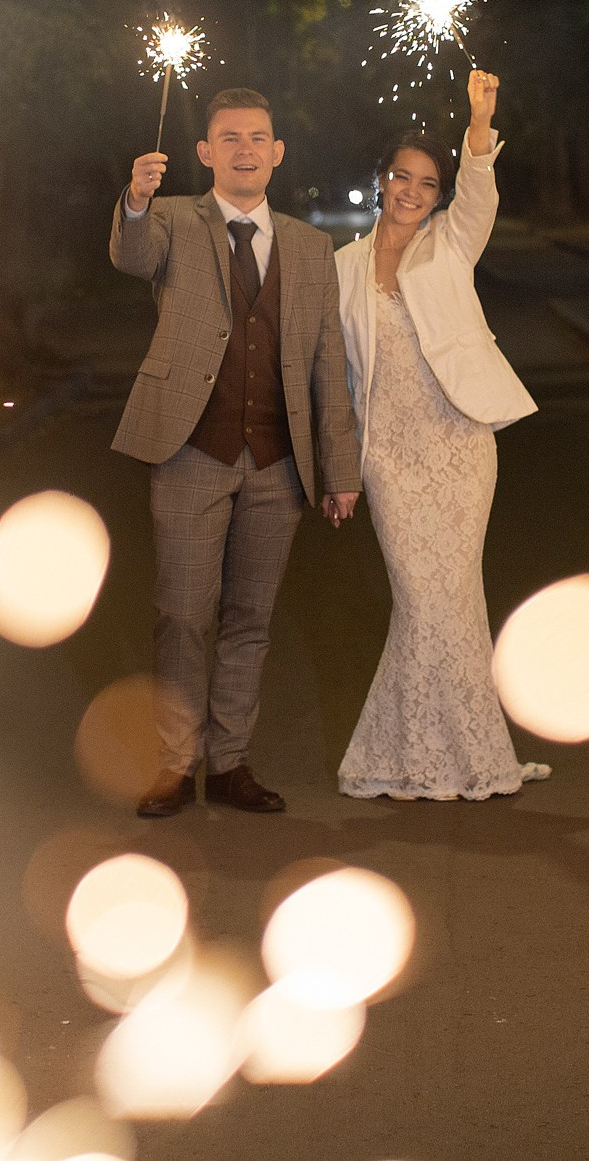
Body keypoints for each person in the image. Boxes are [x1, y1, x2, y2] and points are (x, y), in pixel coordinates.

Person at [112, 88, 361, 818]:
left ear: (277, 152)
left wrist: (338, 471)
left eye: (257, 138)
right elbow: (132, 256)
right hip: (191, 450)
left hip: (278, 462)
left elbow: (327, 362)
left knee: (250, 620)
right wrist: (135, 200)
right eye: (229, 138)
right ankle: (174, 763)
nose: (244, 149)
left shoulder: (310, 247)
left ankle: (229, 763)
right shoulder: (169, 220)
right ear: (205, 152)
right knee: (183, 615)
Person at [333, 70, 545, 800]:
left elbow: (479, 195)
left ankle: (446, 757)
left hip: (459, 443)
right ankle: (437, 753)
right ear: (382, 180)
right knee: (424, 603)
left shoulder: (450, 245)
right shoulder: (342, 268)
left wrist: (479, 123)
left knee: (450, 598)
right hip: (390, 455)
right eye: (403, 177)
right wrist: (341, 466)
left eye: (428, 183)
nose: (413, 191)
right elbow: (335, 373)